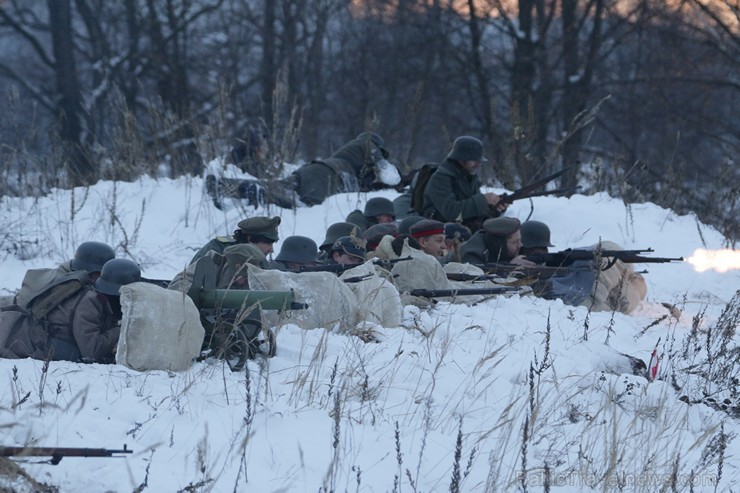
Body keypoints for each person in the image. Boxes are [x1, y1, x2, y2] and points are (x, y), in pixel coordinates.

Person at [0, 258, 141, 363]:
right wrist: (122, 329)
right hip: (14, 335)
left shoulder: (102, 298)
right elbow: (92, 349)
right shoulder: (90, 302)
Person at [220, 132, 401, 209]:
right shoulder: (370, 144)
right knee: (303, 208)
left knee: (275, 185)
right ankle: (267, 198)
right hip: (328, 177)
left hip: (312, 169)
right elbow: (390, 177)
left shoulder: (352, 149)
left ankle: (224, 186)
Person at [421, 136, 508, 231]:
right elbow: (451, 212)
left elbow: (472, 211)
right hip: (439, 233)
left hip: (462, 230)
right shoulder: (440, 178)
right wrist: (483, 200)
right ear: (461, 159)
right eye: (474, 160)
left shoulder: (469, 177)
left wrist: (494, 207)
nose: (478, 164)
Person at [12, 241, 116, 310]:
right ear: (89, 271)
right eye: (99, 274)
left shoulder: (64, 276)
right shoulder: (64, 286)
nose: (102, 278)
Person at [191, 216, 281, 264]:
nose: (271, 250)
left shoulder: (260, 259)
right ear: (250, 239)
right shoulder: (217, 249)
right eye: (268, 243)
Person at [457, 217, 535, 266]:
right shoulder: (472, 254)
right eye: (515, 242)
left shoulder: (492, 246)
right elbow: (478, 281)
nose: (520, 245)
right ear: (500, 244)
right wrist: (510, 266)